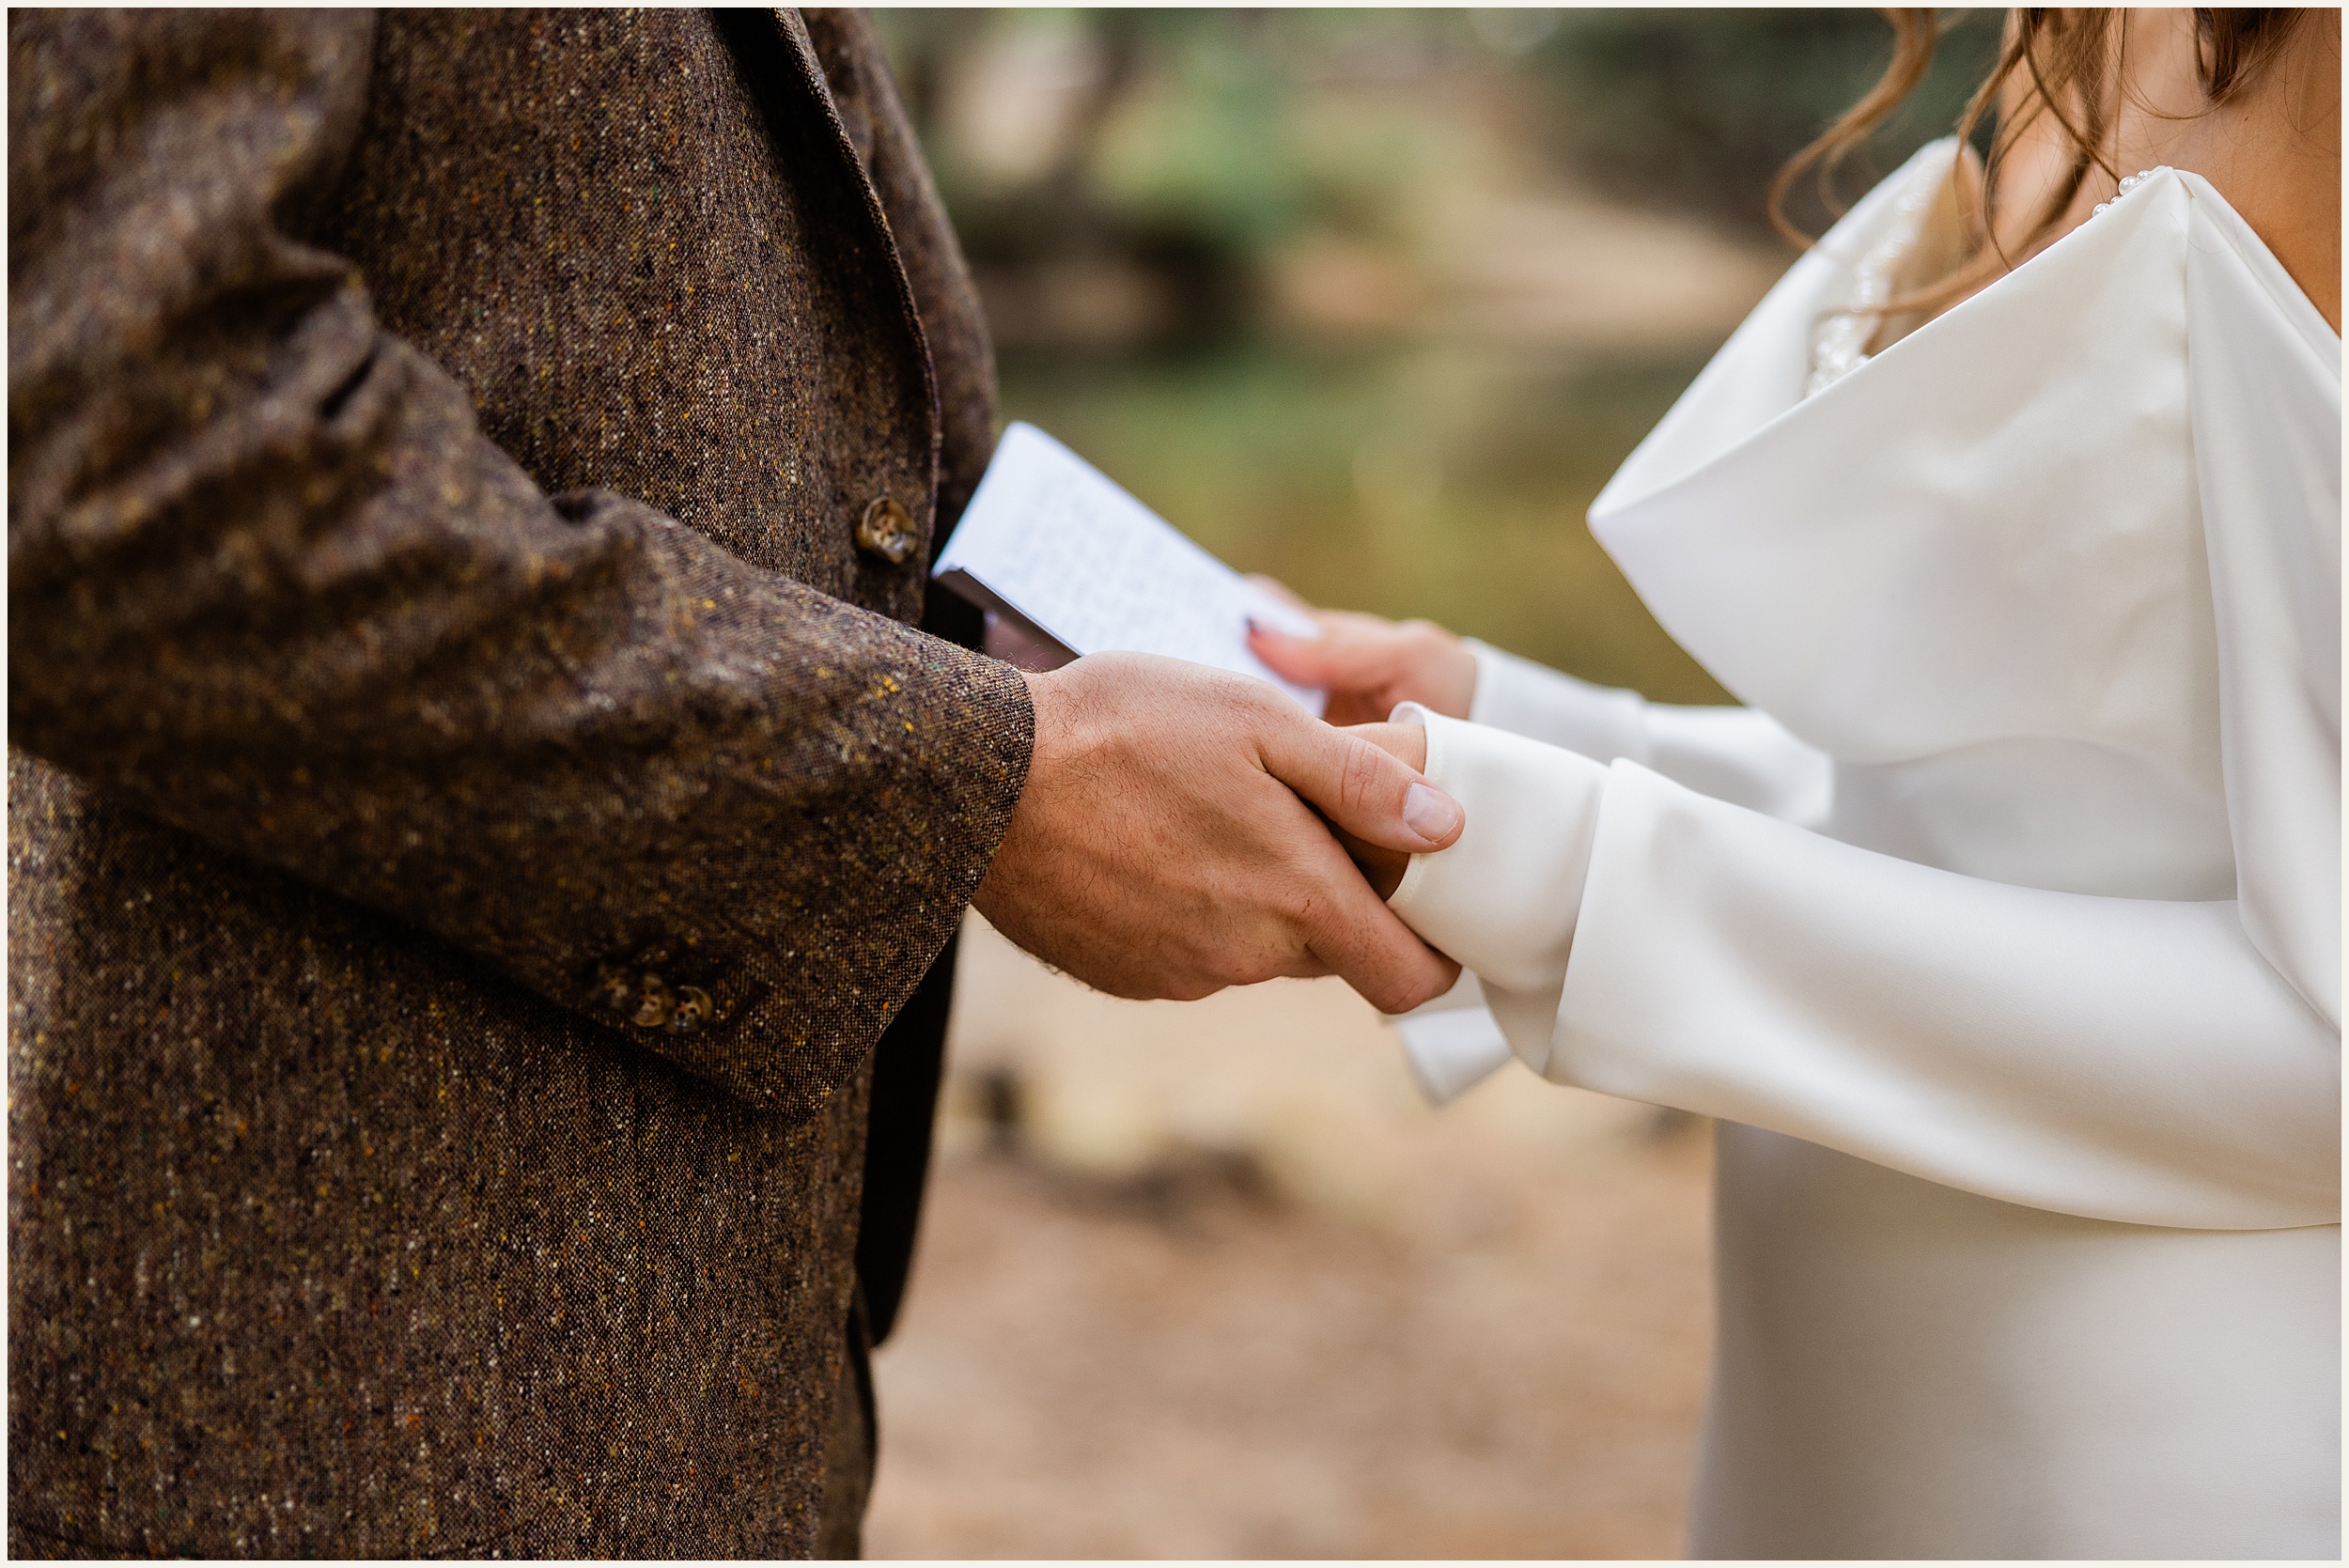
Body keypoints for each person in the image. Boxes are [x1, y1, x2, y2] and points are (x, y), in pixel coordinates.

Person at [6, 9, 1461, 1558]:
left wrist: (1166, 663)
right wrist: (965, 782)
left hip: (700, 1390)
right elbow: (105, 451)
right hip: (317, 1403)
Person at [1252, 8, 2340, 1558]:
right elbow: (2015, 808)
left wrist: (1585, 884)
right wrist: (1530, 729)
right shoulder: (2068, 36)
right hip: (1835, 1408)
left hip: (2158, 1447)